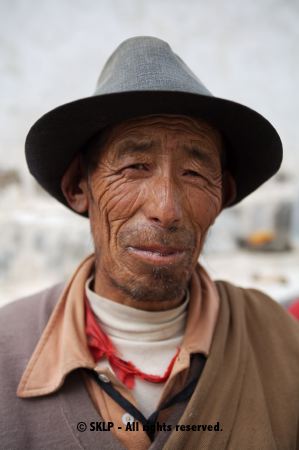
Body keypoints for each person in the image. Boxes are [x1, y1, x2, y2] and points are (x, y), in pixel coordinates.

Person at [1, 36, 298, 450]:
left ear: (223, 195)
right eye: (134, 166)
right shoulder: (7, 349)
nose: (166, 208)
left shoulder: (279, 340)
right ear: (77, 188)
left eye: (195, 173)